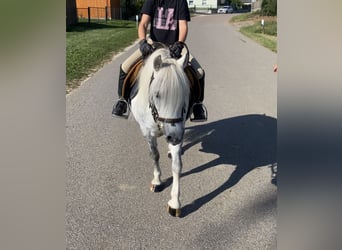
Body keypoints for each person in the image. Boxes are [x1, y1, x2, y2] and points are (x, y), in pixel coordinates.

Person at [111, 0, 207, 122]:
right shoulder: (152, 1)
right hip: (153, 44)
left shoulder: (180, 2)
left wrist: (179, 44)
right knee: (125, 66)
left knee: (199, 72)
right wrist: (142, 42)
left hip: (174, 46)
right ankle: (122, 100)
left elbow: (183, 26)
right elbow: (143, 24)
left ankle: (197, 106)